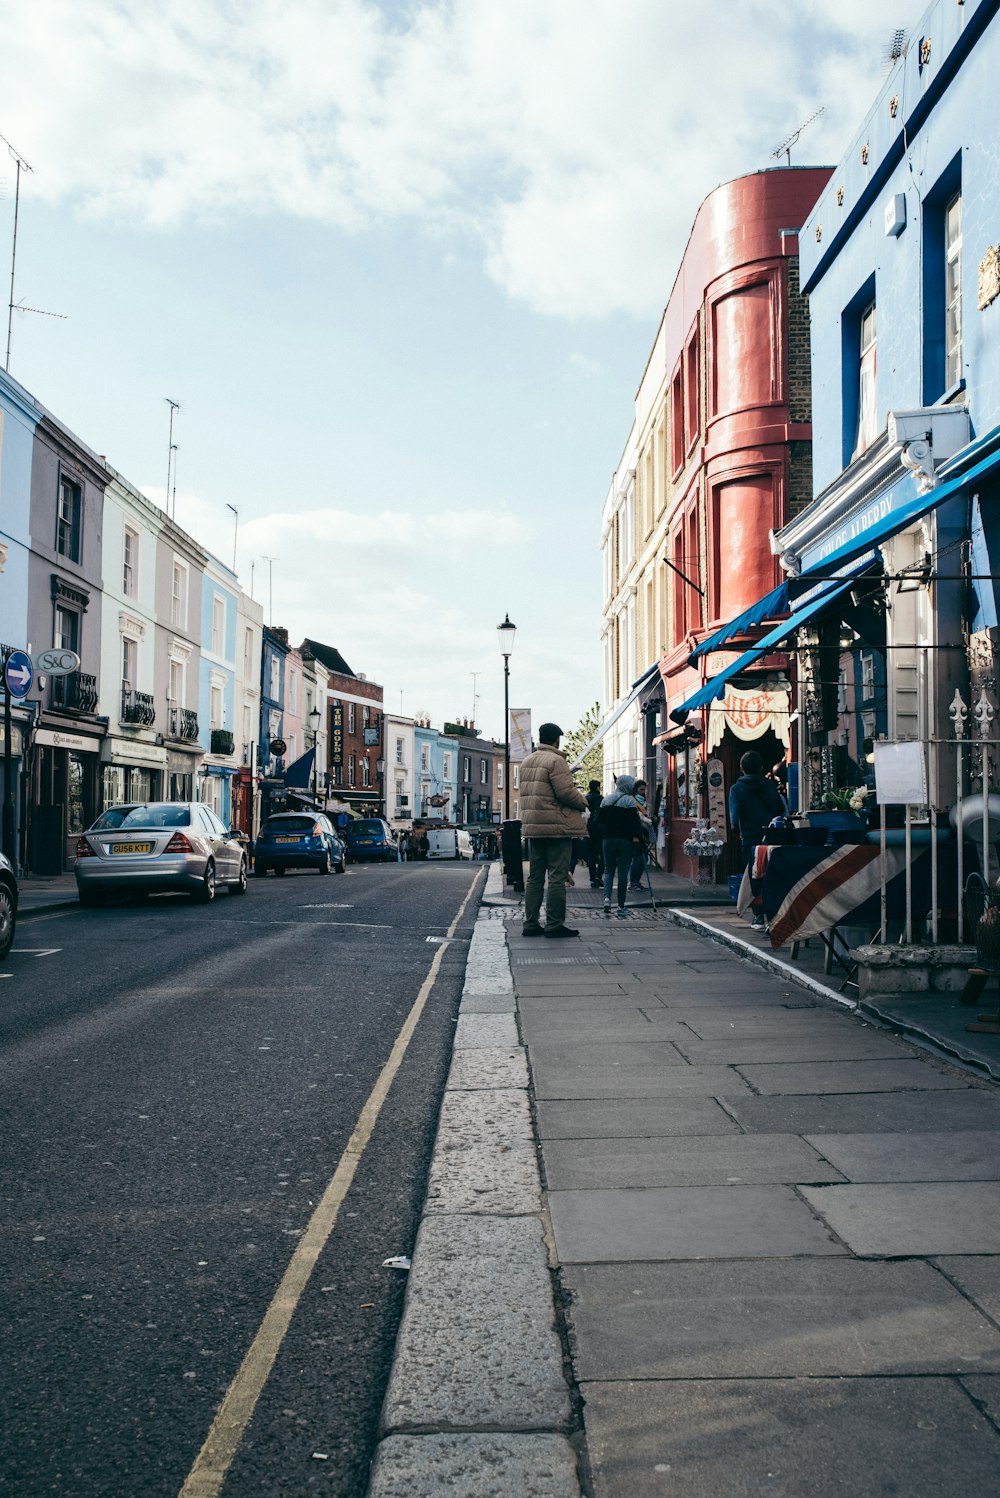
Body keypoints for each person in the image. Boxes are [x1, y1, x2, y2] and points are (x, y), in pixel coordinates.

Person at [519, 722, 589, 939]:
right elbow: (565, 793)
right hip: (556, 827)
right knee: (557, 877)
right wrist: (583, 801)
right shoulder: (556, 760)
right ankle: (554, 924)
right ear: (557, 739)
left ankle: (530, 923)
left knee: (535, 878)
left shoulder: (527, 761)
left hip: (533, 826)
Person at [728, 750, 786, 925]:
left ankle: (758, 914)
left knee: (755, 874)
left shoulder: (736, 789)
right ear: (761, 767)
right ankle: (773, 911)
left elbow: (733, 818)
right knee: (771, 872)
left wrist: (737, 830)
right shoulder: (769, 785)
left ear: (741, 768)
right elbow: (780, 808)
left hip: (749, 837)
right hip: (771, 835)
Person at [598, 774, 644, 918]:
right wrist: (639, 840)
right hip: (625, 840)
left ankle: (606, 899)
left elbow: (600, 820)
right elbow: (635, 824)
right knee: (623, 872)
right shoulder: (629, 802)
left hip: (608, 839)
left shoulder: (606, 800)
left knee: (608, 870)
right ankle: (621, 905)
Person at [628, 778, 653, 891]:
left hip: (643, 832)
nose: (643, 791)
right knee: (639, 858)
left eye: (644, 789)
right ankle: (634, 882)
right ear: (636, 789)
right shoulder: (632, 800)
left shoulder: (644, 801)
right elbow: (637, 816)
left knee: (643, 858)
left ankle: (636, 881)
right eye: (641, 789)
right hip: (636, 834)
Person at [584, 779, 605, 887]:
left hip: (589, 829)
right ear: (597, 787)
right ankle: (598, 876)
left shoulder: (585, 799)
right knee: (602, 853)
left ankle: (592, 878)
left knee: (591, 854)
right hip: (600, 829)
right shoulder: (601, 799)